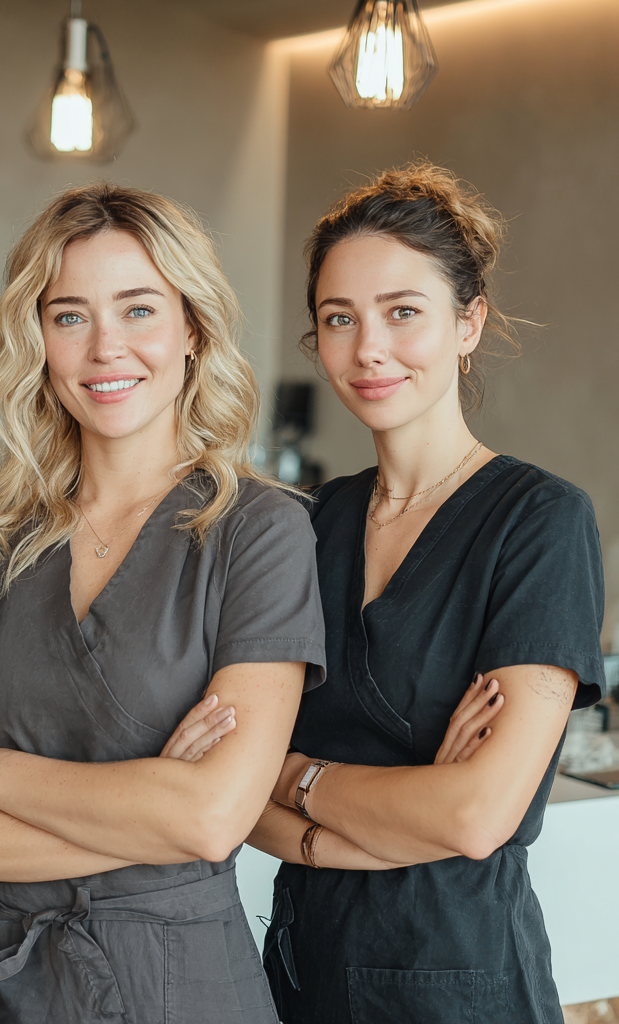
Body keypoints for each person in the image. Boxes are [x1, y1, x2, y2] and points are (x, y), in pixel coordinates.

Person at [0, 182, 328, 1023]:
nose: (104, 348)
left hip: (178, 987)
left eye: (138, 309)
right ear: (37, 339)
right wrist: (147, 808)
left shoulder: (260, 533)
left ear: (192, 329)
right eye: (70, 316)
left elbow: (211, 818)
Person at [247, 163, 605, 1024]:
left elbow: (478, 814)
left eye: (402, 311)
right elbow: (230, 795)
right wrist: (400, 808)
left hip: (460, 980)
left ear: (468, 322)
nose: (368, 348)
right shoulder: (301, 525)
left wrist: (295, 777)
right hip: (300, 972)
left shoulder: (539, 520)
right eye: (340, 318)